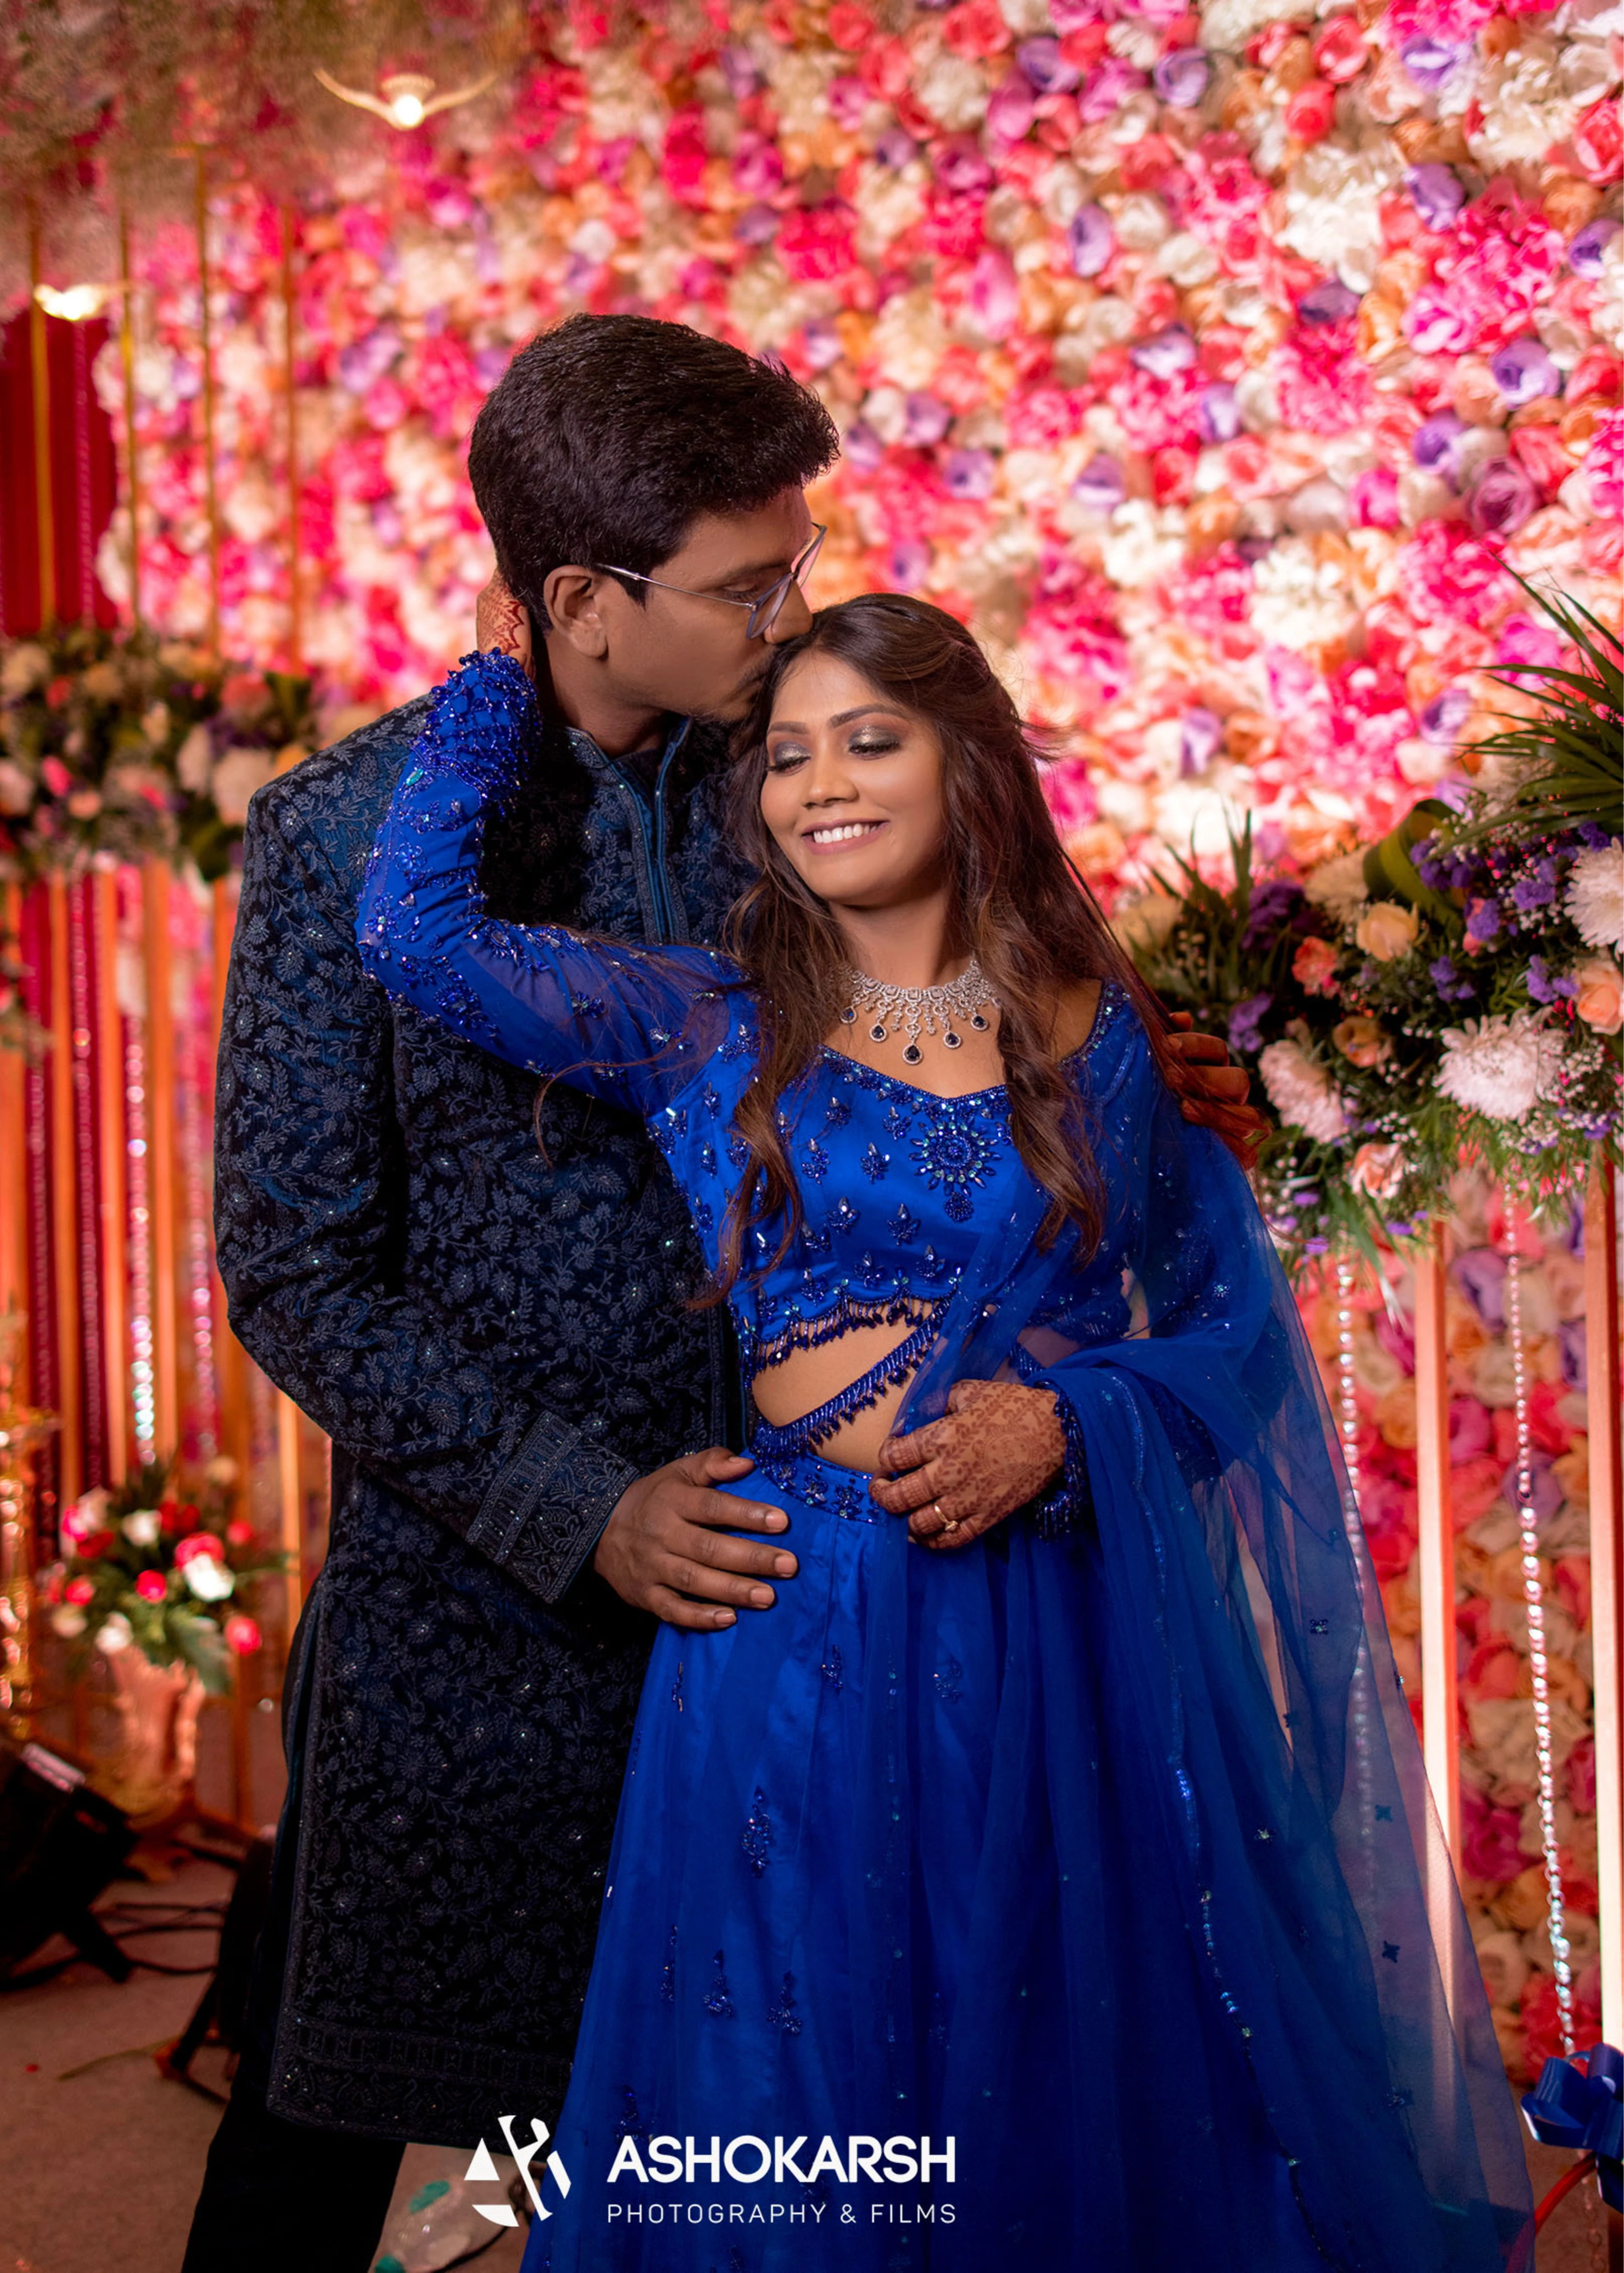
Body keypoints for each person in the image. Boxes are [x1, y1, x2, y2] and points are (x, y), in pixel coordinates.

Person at [185, 313, 1249, 2273]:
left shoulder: (801, 772)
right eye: (747, 584)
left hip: (817, 1590)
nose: (790, 615)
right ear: (584, 600)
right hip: (494, 1610)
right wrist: (573, 1505)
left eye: (799, 569)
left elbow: (985, 1003)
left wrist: (1145, 1076)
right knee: (352, 2127)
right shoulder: (349, 832)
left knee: (744, 2139)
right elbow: (294, 1268)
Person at [356, 595, 1534, 2270]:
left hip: (1040, 1623)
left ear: (966, 758)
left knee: (1038, 2031)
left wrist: (1067, 1424)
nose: (819, 782)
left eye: (869, 738)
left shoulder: (1099, 1036)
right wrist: (495, 690)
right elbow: (411, 933)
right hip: (794, 1617)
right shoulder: (702, 1019)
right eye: (783, 754)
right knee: (789, 2057)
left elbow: (1228, 1342)